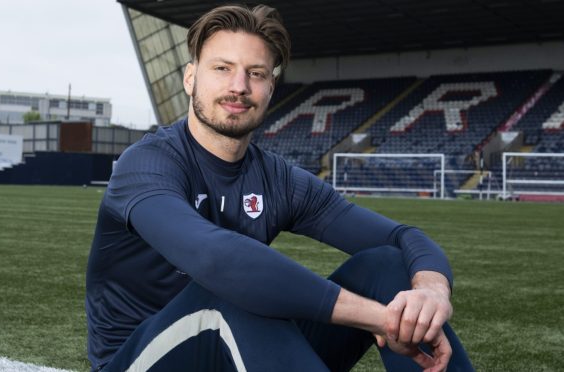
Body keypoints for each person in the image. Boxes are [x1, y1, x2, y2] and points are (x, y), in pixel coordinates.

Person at [85, 4, 474, 371]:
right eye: (222, 68)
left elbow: (401, 238)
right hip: (142, 360)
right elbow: (219, 261)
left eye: (256, 73)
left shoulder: (278, 179)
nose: (239, 86)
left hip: (242, 347)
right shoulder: (148, 163)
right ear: (191, 78)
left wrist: (432, 291)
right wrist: (379, 318)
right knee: (227, 291)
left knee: (386, 265)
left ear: (271, 87)